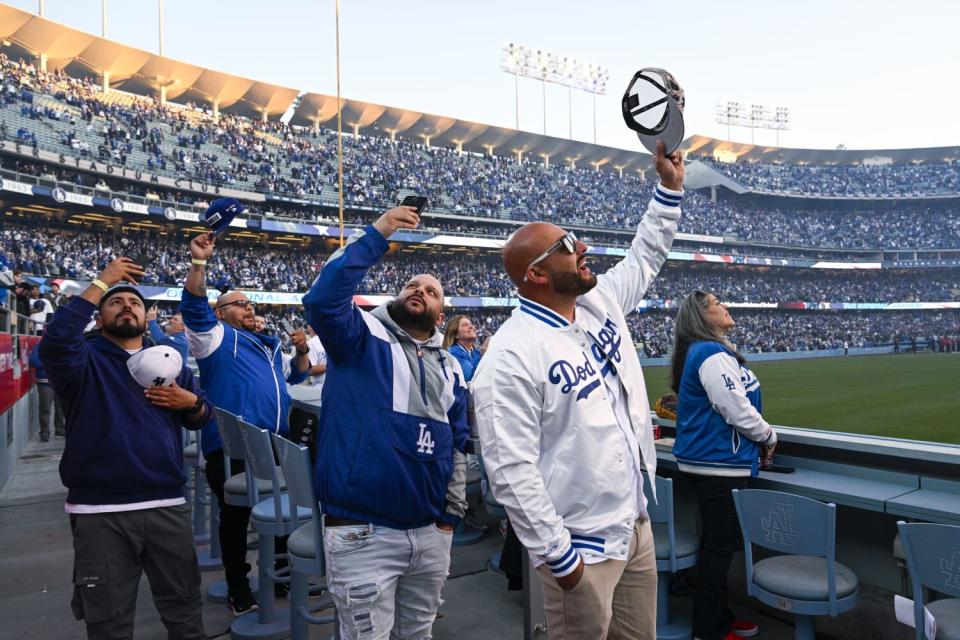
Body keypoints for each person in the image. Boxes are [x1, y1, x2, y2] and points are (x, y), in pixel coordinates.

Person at [472, 141, 684, 640]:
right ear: (538, 273)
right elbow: (509, 469)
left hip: (634, 527)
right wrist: (560, 558)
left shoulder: (599, 303)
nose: (582, 246)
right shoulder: (510, 354)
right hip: (580, 548)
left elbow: (645, 256)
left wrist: (668, 191)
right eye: (567, 243)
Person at [301, 205, 470, 640]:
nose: (420, 290)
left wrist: (451, 514)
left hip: (430, 529)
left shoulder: (450, 366)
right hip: (363, 529)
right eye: (412, 285)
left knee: (418, 634)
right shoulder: (357, 336)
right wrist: (378, 234)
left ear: (439, 313)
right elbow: (321, 300)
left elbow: (459, 441)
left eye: (431, 291)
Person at [38, 257, 211, 640]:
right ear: (99, 318)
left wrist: (192, 404)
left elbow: (201, 416)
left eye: (134, 302)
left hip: (166, 504)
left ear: (147, 317)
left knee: (185, 614)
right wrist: (102, 282)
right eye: (115, 302)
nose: (127, 305)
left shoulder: (169, 360)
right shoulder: (81, 359)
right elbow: (55, 343)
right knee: (109, 624)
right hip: (100, 512)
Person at [180, 231, 311, 615]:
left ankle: (285, 579)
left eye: (252, 303)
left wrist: (302, 351)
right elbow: (193, 306)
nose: (249, 309)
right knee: (236, 516)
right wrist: (199, 263)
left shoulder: (267, 344)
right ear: (221, 313)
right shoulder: (216, 339)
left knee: (287, 512)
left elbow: (298, 376)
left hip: (274, 441)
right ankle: (240, 586)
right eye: (240, 304)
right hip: (231, 444)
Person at [669, 290, 777, 640]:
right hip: (717, 464)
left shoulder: (706, 351)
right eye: (717, 304)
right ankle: (710, 628)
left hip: (711, 462)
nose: (725, 306)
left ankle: (719, 617)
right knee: (719, 546)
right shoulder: (711, 353)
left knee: (717, 543)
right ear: (703, 316)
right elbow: (734, 406)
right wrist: (767, 436)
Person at [28, 342, 64, 440]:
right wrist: (51, 363)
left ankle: (60, 431)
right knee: (45, 409)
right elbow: (33, 361)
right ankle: (45, 433)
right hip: (45, 383)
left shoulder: (64, 345)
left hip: (61, 383)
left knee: (60, 409)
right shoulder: (39, 346)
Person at [442, 315, 488, 383]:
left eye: (471, 324)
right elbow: (470, 377)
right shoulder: (453, 353)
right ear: (456, 335)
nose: (471, 327)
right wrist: (483, 356)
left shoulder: (476, 352)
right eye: (465, 325)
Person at [303, 324, 327, 390]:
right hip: (322, 388)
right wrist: (331, 367)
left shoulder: (333, 339)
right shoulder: (312, 343)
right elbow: (309, 370)